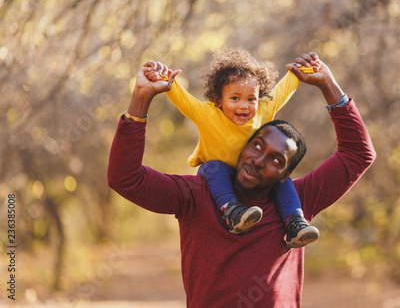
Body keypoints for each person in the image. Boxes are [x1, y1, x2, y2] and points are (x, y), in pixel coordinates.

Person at [108, 51, 376, 307]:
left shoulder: (298, 203)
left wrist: (328, 84)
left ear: (285, 175)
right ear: (244, 144)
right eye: (257, 146)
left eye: (276, 160)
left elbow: (357, 155)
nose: (259, 160)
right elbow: (125, 178)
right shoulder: (196, 196)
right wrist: (141, 99)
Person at [142, 47, 319, 248]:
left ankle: (295, 223)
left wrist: (297, 73)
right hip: (216, 170)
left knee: (282, 181)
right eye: (235, 98)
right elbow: (186, 102)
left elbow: (282, 92)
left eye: (251, 99)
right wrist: (168, 83)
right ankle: (234, 213)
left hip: (249, 172)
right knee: (214, 168)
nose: (244, 106)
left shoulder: (262, 111)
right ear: (218, 99)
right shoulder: (207, 114)